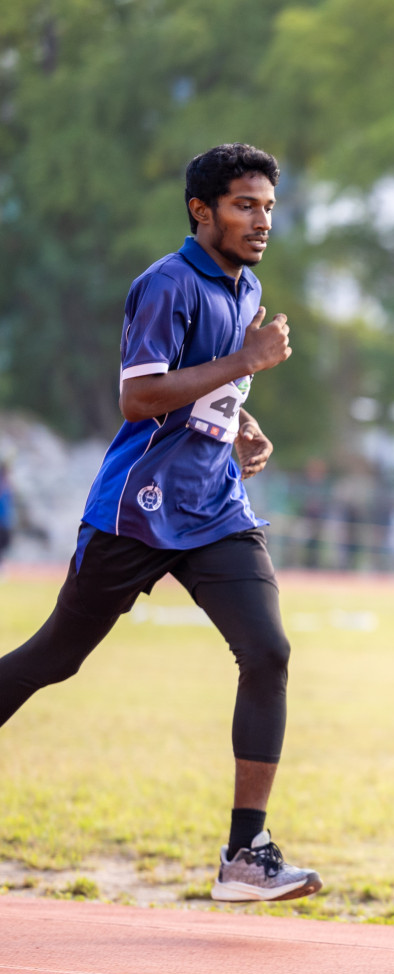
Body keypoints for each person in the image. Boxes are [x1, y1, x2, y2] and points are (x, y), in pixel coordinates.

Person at [0, 144, 321, 902]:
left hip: (214, 508)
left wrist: (240, 424)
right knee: (55, 658)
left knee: (268, 652)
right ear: (200, 211)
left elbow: (208, 384)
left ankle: (246, 854)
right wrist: (246, 362)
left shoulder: (247, 288)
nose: (261, 220)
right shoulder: (165, 284)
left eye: (269, 206)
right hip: (136, 512)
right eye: (245, 205)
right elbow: (140, 399)